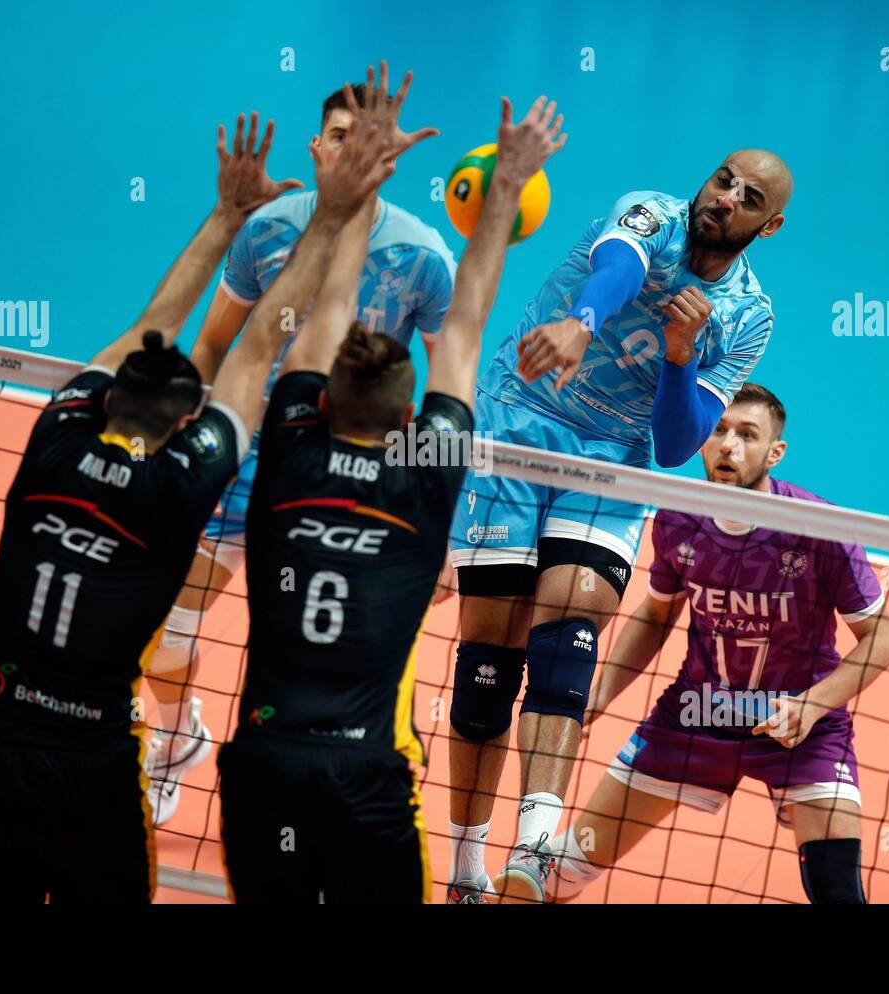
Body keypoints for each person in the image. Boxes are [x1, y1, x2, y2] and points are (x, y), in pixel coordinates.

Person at [0, 112, 341, 903]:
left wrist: (227, 211)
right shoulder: (179, 492)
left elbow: (147, 327)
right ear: (181, 430)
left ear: (105, 399)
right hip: (91, 761)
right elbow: (257, 351)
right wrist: (331, 217)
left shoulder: (51, 445)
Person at [219, 64, 567, 903]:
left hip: (264, 769)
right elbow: (465, 330)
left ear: (317, 401)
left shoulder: (283, 465)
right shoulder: (427, 490)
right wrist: (504, 194)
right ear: (416, 418)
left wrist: (342, 200)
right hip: (366, 778)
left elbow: (295, 331)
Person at [445, 151, 794, 904]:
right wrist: (582, 324)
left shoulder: (748, 314)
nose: (726, 198)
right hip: (519, 420)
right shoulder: (651, 213)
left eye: (750, 198)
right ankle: (464, 868)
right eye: (724, 180)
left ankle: (533, 853)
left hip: (613, 461)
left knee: (570, 627)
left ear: (769, 225)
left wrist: (677, 359)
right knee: (488, 650)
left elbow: (675, 448)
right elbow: (618, 269)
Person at [141, 80, 459, 826]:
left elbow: (447, 389)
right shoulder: (268, 231)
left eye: (368, 139)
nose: (353, 150)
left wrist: (436, 514)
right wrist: (192, 442)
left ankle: (345, 792)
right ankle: (179, 734)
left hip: (355, 474)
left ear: (388, 155)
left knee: (331, 659)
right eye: (340, 136)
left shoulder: (423, 256)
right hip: (253, 455)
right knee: (163, 635)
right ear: (318, 147)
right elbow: (217, 343)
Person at [550, 383, 889, 904]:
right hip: (695, 717)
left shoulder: (819, 528)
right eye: (718, 431)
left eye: (746, 435)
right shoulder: (678, 518)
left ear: (774, 451)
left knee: (837, 891)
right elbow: (655, 613)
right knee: (561, 871)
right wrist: (599, 695)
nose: (729, 446)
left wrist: (812, 706)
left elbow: (882, 639)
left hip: (800, 727)